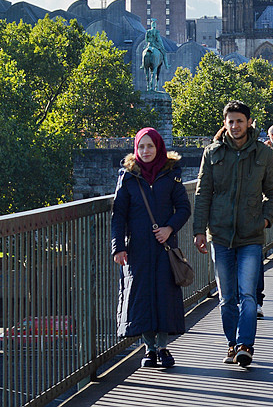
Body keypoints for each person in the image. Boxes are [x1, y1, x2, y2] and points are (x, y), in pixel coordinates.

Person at [193, 101, 273, 368]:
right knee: (227, 297)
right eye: (230, 121)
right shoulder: (212, 152)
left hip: (251, 234)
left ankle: (245, 345)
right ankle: (232, 343)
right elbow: (202, 193)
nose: (235, 126)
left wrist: (266, 218)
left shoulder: (263, 153)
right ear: (225, 123)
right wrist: (198, 230)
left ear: (249, 122)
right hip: (219, 234)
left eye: (240, 121)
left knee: (248, 294)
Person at [111, 127, 191, 369]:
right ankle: (149, 348)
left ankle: (164, 347)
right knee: (142, 296)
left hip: (164, 247)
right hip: (137, 248)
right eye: (141, 147)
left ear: (158, 148)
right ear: (136, 150)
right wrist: (118, 247)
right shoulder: (128, 176)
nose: (146, 151)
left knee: (164, 296)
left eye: (150, 146)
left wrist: (169, 228)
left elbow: (184, 208)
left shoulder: (171, 174)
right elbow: (118, 215)